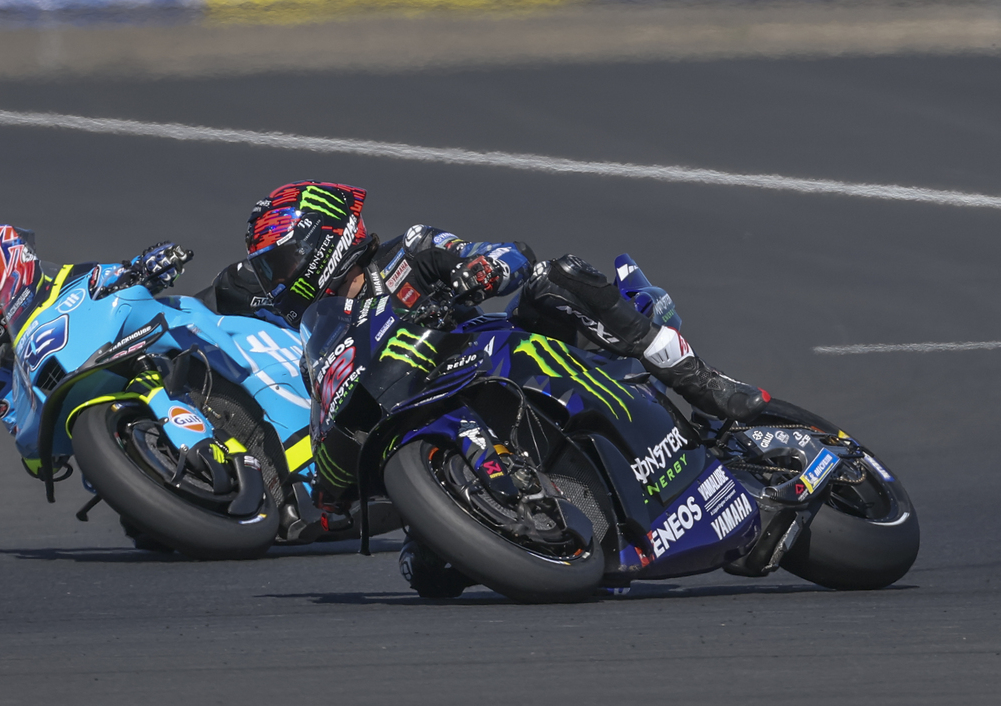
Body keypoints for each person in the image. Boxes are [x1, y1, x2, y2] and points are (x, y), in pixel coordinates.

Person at [238, 181, 770, 594]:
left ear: (322, 240)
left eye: (279, 262)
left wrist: (483, 269)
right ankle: (546, 521)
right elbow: (327, 416)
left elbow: (509, 255)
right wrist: (329, 489)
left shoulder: (411, 251)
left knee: (553, 277)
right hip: (422, 418)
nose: (278, 280)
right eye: (267, 272)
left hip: (499, 358)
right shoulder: (319, 339)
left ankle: (696, 379)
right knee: (427, 575)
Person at [0, 224, 187, 546]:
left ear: (5, 279)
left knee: (197, 315)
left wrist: (151, 264)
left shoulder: (78, 278)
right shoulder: (4, 382)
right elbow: (39, 461)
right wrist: (37, 453)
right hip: (115, 438)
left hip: (144, 358)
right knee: (148, 534)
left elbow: (126, 275)